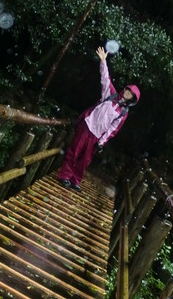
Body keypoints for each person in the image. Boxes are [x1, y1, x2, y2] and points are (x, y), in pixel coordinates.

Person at [58, 46, 140, 192]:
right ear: (125, 89)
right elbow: (105, 78)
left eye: (130, 94)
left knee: (85, 160)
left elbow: (112, 130)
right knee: (74, 151)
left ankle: (75, 180)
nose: (127, 93)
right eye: (127, 90)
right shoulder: (111, 94)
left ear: (132, 99)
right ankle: (64, 176)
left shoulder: (123, 112)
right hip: (87, 125)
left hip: (96, 136)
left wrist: (102, 142)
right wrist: (103, 61)